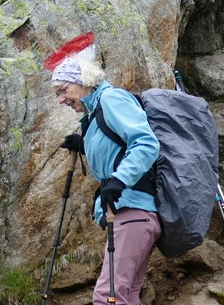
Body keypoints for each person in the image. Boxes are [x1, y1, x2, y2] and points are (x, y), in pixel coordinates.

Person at [50, 36, 160, 304]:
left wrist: (118, 181)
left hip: (131, 210)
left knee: (107, 297)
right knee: (126, 295)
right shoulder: (94, 113)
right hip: (134, 214)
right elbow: (118, 147)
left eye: (63, 90)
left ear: (83, 81)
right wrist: (85, 144)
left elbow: (146, 143)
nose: (61, 100)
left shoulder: (112, 99)